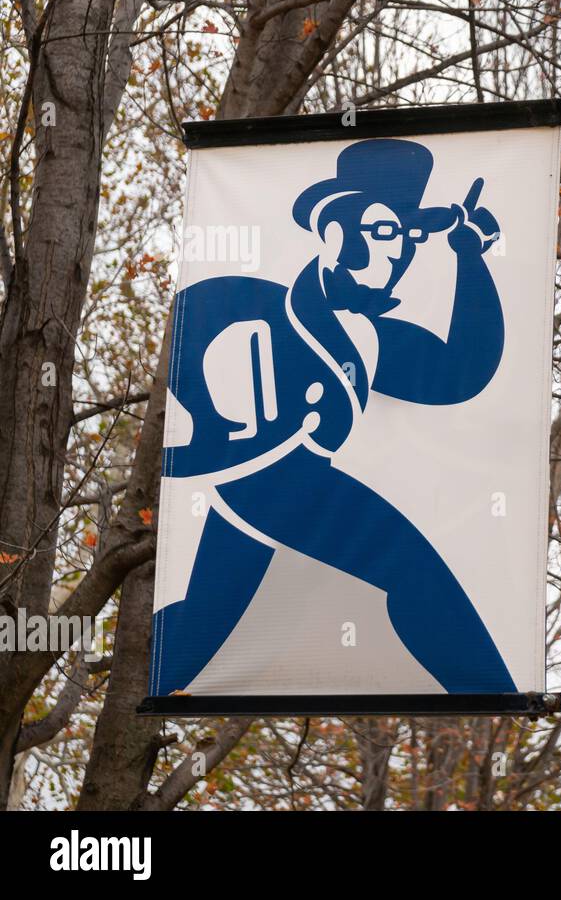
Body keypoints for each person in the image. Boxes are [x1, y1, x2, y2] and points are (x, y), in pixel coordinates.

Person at [152, 138, 516, 694]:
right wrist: (205, 435)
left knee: (198, 628)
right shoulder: (267, 307)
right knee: (412, 569)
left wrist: (470, 257)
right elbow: (192, 323)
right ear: (336, 234)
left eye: (408, 238)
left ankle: (149, 676)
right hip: (271, 481)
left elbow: (460, 372)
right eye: (384, 233)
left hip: (262, 493)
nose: (399, 254)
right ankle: (495, 691)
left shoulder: (368, 332)